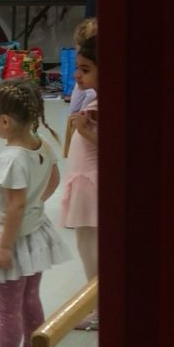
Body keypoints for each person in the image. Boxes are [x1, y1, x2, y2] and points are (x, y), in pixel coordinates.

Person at [0, 78, 70, 347]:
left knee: (9, 309)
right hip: (35, 237)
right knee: (31, 299)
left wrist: (3, 247)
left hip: (12, 243)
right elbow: (54, 179)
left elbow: (14, 206)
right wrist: (36, 204)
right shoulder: (40, 145)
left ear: (4, 121)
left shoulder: (11, 159)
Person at [60, 35, 99, 330]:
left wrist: (84, 131)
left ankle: (98, 308)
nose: (76, 75)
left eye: (84, 69)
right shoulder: (95, 101)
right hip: (86, 181)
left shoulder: (97, 107)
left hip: (90, 184)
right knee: (89, 247)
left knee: (91, 249)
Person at [63, 17, 98, 156]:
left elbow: (90, 95)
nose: (76, 75)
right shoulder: (86, 78)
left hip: (82, 122)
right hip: (78, 122)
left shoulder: (89, 85)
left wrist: (84, 112)